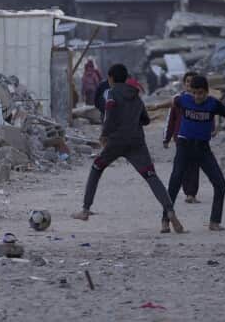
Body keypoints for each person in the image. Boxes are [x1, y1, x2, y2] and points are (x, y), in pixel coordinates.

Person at [72, 64, 184, 233]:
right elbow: (146, 120)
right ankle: (170, 211)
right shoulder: (136, 95)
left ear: (110, 78)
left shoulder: (112, 93)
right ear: (126, 78)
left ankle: (85, 210)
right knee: (151, 176)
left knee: (96, 168)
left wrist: (104, 134)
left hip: (116, 141)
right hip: (136, 141)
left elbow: (109, 115)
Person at [165, 75, 225, 231]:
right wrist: (154, 106)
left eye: (201, 93)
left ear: (207, 92)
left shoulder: (213, 104)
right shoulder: (184, 100)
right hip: (184, 146)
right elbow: (171, 102)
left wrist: (222, 127)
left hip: (203, 148)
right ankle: (165, 219)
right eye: (194, 93)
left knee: (220, 183)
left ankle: (214, 222)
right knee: (175, 181)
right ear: (190, 91)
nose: (197, 97)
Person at [164, 71, 209, 204]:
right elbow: (171, 120)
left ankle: (191, 193)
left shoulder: (202, 100)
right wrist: (166, 138)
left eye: (193, 82)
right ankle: (185, 191)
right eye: (188, 81)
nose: (190, 84)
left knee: (194, 165)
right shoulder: (178, 100)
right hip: (181, 137)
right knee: (182, 165)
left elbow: (209, 116)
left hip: (197, 138)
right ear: (184, 84)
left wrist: (210, 130)